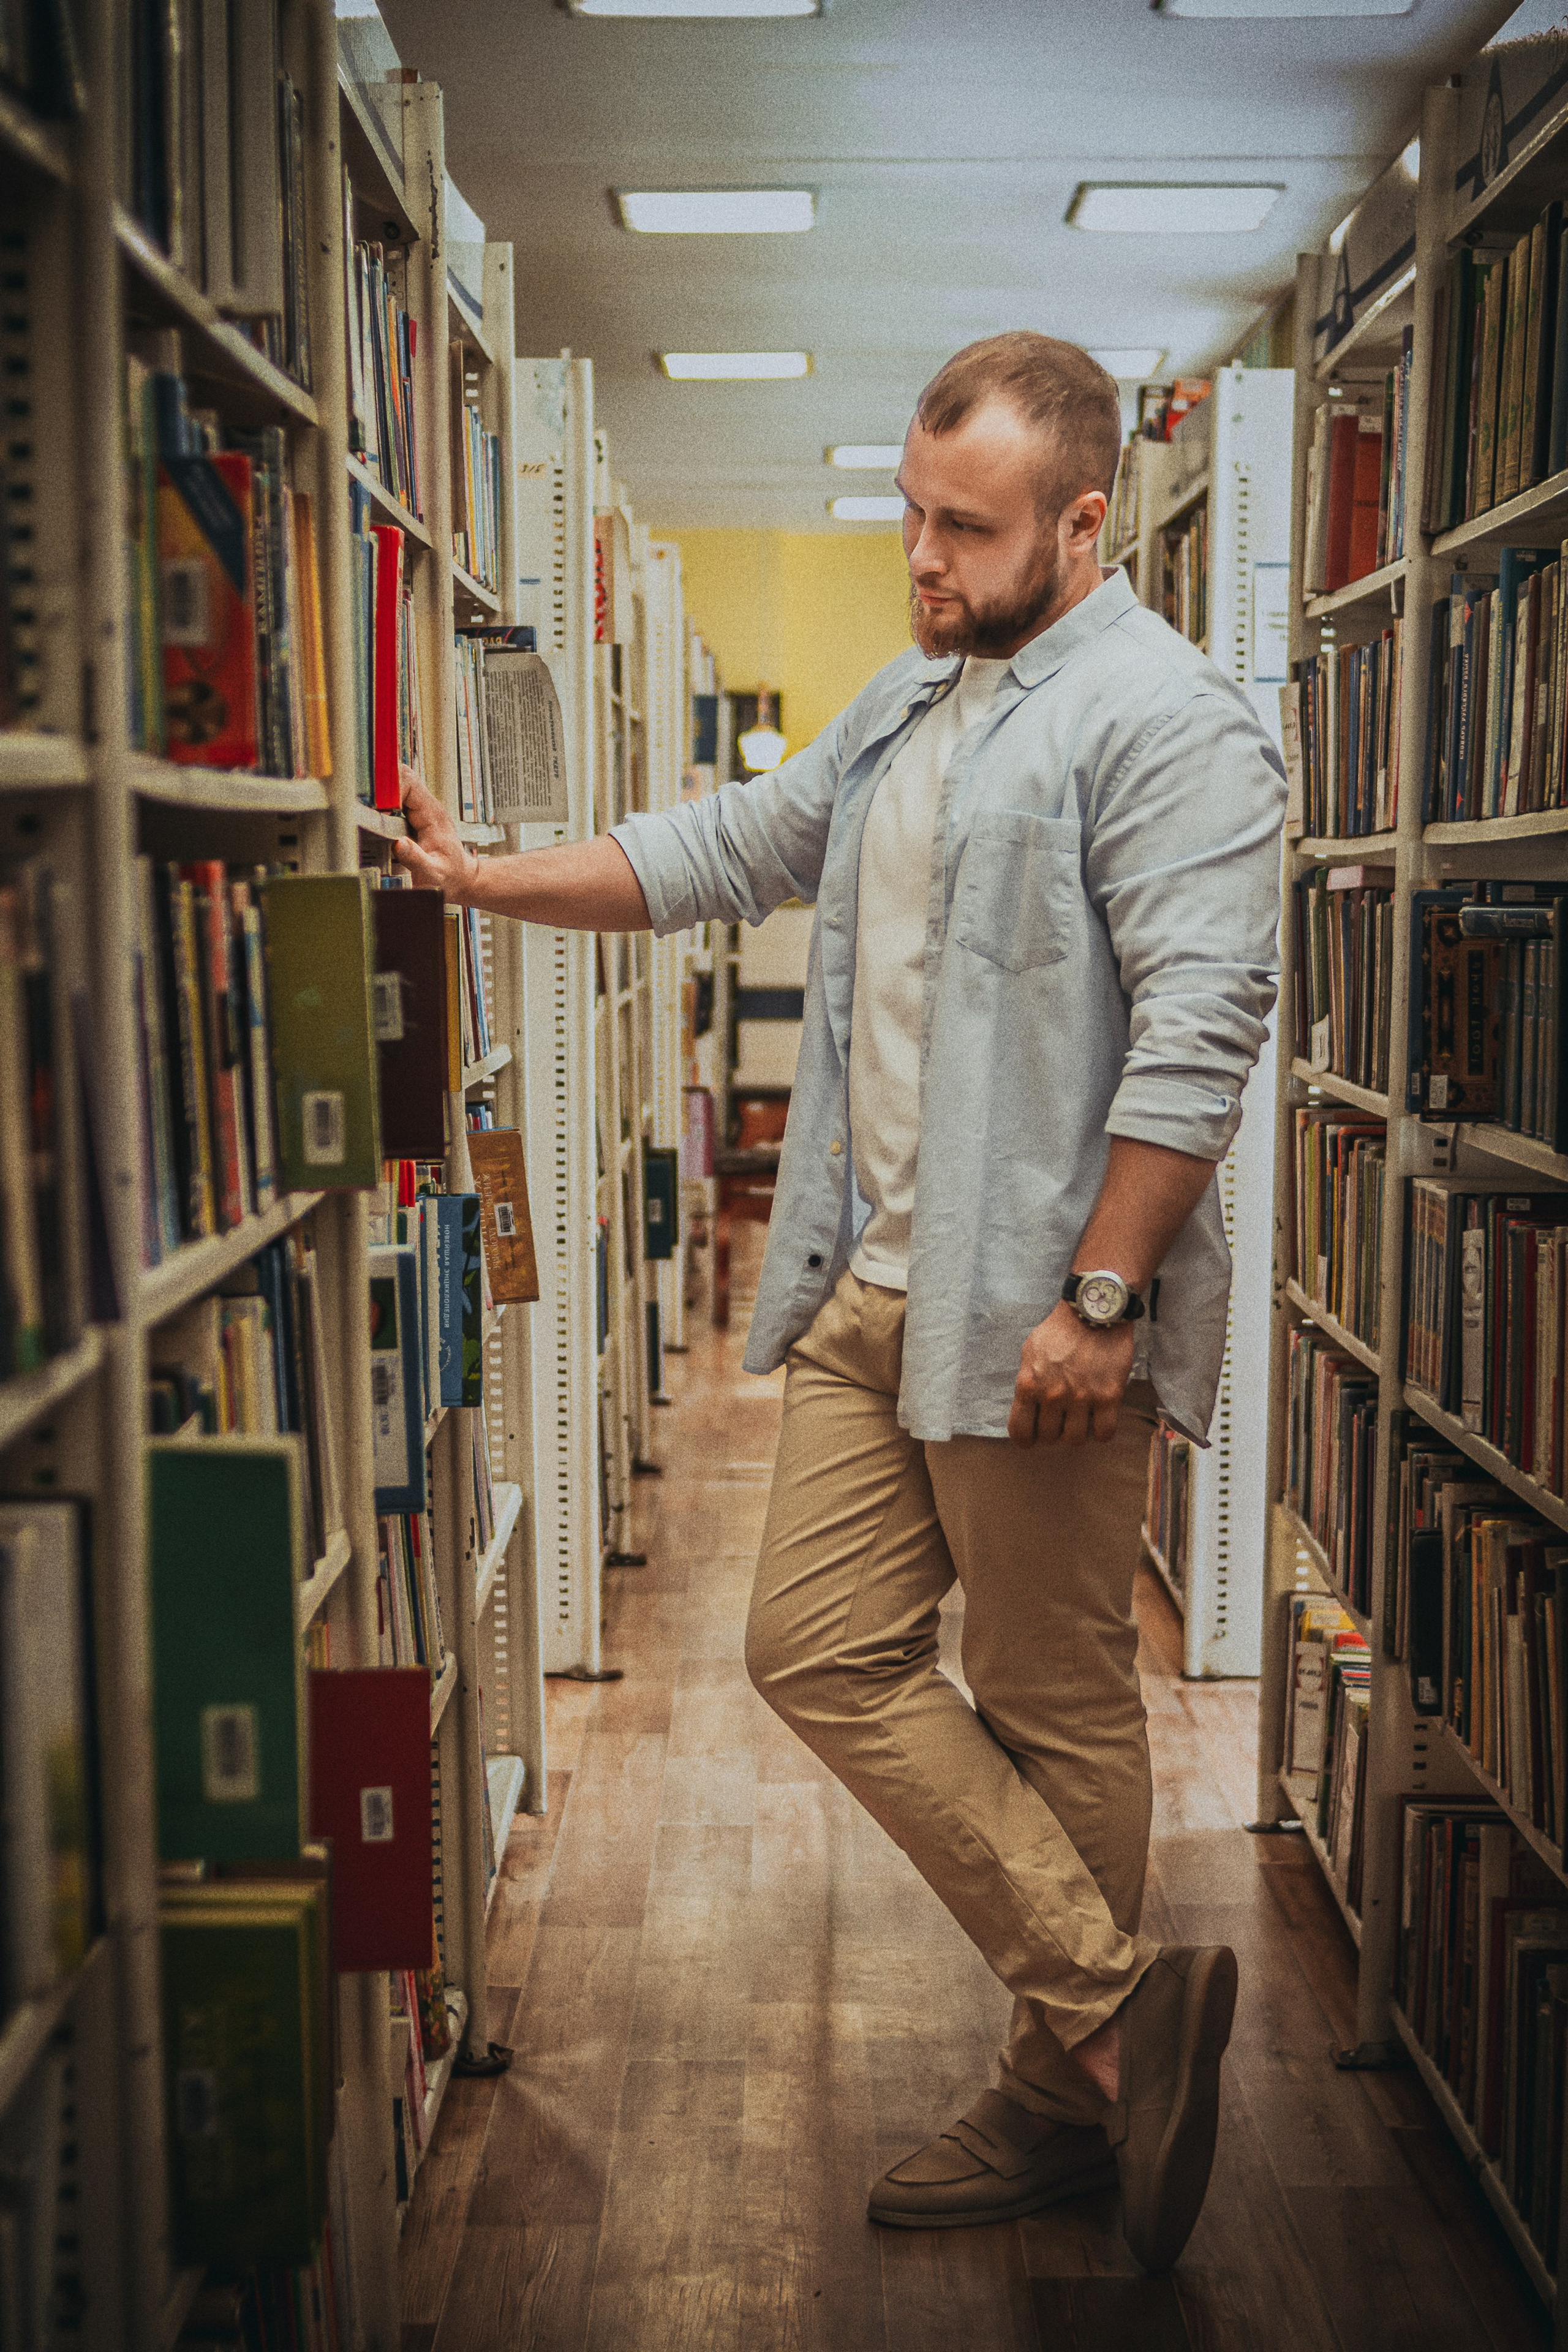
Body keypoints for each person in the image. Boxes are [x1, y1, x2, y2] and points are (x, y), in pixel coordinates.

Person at [396, 331, 1285, 2272]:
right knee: (814, 1647)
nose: (924, 556)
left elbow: (1206, 1032)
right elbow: (724, 849)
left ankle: (1063, 2101)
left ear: (1084, 514)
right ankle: (1118, 2013)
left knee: (1054, 1703)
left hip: (1044, 1316)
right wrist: (484, 882)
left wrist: (1107, 1299)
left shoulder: (1169, 717)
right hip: (872, 1291)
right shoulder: (910, 704)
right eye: (909, 511)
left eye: (966, 527)